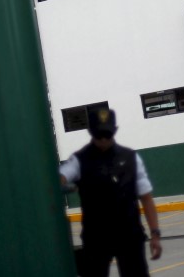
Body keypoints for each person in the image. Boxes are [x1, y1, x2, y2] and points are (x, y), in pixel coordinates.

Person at [60, 108, 162, 277]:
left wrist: (155, 234)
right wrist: (63, 183)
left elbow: (146, 198)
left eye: (107, 135)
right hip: (96, 239)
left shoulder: (131, 158)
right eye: (99, 135)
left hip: (129, 236)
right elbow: (61, 176)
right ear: (90, 133)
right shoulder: (79, 160)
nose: (103, 140)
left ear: (114, 131)